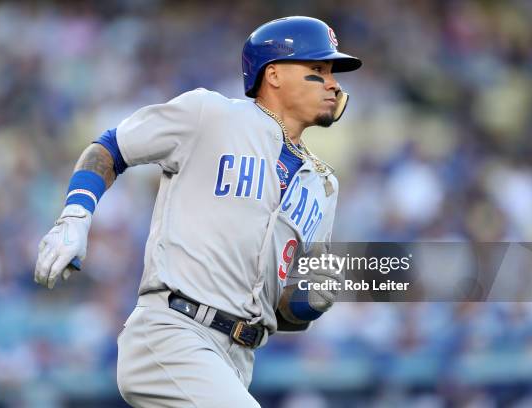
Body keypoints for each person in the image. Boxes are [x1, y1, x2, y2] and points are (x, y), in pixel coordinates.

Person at [34, 16, 361, 407]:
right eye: (318, 70)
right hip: (173, 331)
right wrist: (76, 215)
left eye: (331, 73)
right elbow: (112, 146)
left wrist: (312, 297)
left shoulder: (324, 185)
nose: (333, 83)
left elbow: (284, 309)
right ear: (273, 75)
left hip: (238, 358)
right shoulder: (212, 115)